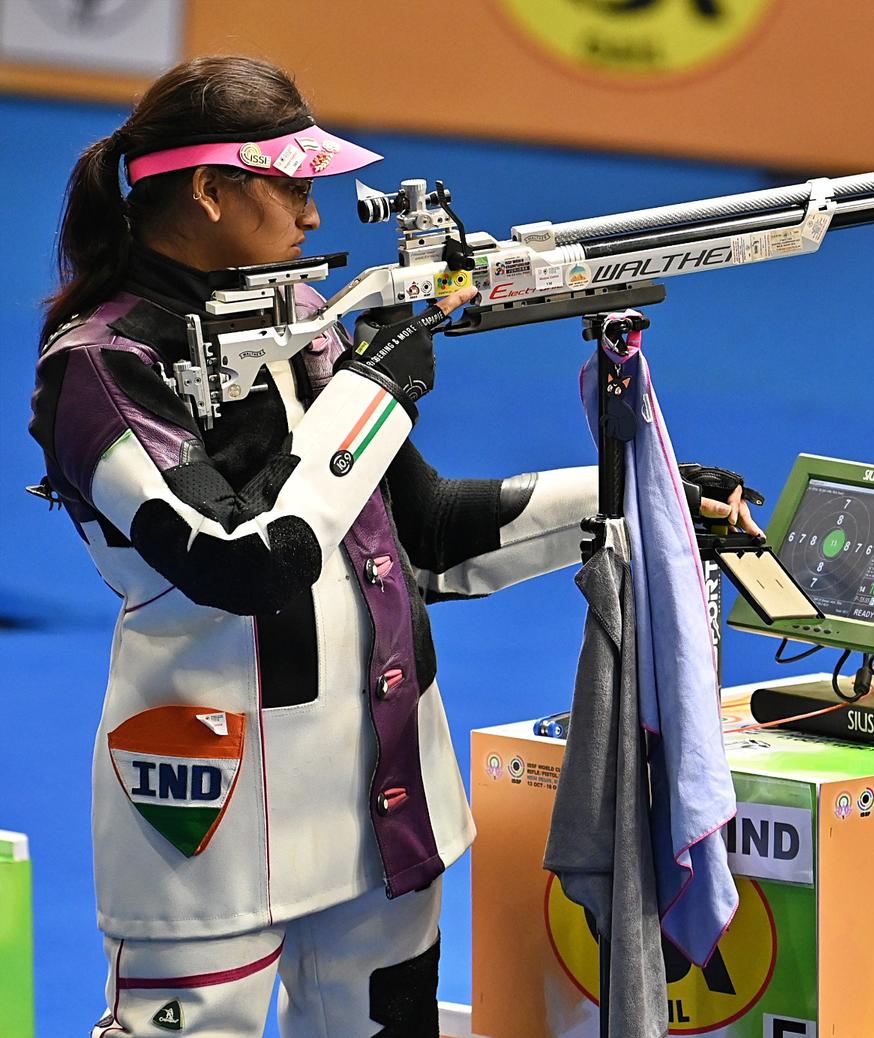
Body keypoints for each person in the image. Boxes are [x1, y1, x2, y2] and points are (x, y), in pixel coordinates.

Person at [30, 55, 761, 1038]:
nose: (314, 216)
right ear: (208, 191)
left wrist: (637, 497)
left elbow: (426, 536)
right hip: (209, 802)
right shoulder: (102, 367)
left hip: (380, 795)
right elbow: (245, 560)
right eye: (289, 185)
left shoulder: (299, 322)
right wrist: (372, 394)